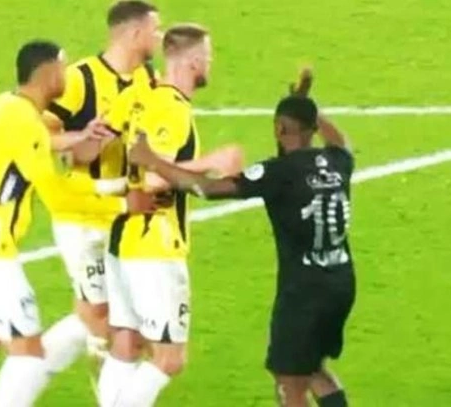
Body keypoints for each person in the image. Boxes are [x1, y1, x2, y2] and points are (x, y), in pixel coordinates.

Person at [0, 40, 154, 407]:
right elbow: (57, 195)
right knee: (27, 355)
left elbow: (37, 144)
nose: (68, 75)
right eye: (63, 67)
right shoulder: (25, 120)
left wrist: (81, 139)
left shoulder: (6, 106)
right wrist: (122, 203)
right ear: (50, 72)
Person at [126, 69, 354, 407]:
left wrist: (151, 160)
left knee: (289, 381)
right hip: (341, 283)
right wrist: (309, 107)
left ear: (279, 128)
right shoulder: (338, 162)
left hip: (304, 292)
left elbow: (207, 187)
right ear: (312, 128)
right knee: (313, 368)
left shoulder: (278, 173)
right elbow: (341, 141)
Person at [97, 23, 242, 406]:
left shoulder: (149, 98)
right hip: (155, 246)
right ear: (193, 61)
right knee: (169, 359)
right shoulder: (171, 108)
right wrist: (212, 162)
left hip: (125, 239)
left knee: (126, 344)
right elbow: (151, 178)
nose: (210, 63)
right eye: (208, 56)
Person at [41, 0, 163, 373]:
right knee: (102, 316)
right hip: (83, 210)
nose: (159, 37)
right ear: (136, 33)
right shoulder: (79, 79)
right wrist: (81, 140)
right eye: (155, 30)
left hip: (126, 208)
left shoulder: (149, 79)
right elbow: (40, 135)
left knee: (117, 314)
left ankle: (26, 372)